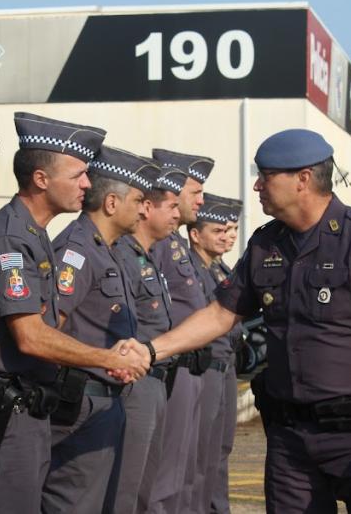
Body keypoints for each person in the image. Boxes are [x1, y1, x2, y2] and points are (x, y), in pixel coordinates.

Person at [140, 129, 351, 513]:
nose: (257, 184)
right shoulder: (265, 244)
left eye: (267, 175)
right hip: (289, 440)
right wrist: (150, 350)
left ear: (303, 179)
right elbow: (221, 314)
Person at [0, 113, 150, 514]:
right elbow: (31, 335)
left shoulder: (35, 236)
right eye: (78, 174)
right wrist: (107, 358)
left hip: (33, 408)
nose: (88, 184)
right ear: (41, 179)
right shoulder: (10, 239)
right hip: (9, 410)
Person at [41, 146, 159, 513]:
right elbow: (48, 329)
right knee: (74, 502)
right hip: (81, 402)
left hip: (107, 397)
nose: (144, 209)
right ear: (111, 203)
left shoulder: (108, 251)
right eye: (139, 200)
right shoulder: (75, 252)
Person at [109, 167, 187, 514]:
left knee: (145, 487)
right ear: (147, 209)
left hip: (156, 379)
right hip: (133, 381)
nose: (178, 214)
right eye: (170, 206)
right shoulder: (123, 254)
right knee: (125, 488)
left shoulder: (148, 256)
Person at [146, 148, 215, 514]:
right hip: (169, 365)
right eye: (195, 191)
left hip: (190, 367)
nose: (201, 200)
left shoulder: (176, 246)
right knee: (164, 478)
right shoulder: (157, 245)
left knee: (188, 472)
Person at [186, 194, 243, 514]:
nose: (229, 236)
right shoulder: (188, 269)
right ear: (196, 234)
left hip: (225, 367)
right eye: (220, 231)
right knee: (198, 453)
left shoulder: (223, 269)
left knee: (219, 451)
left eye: (233, 229)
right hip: (202, 369)